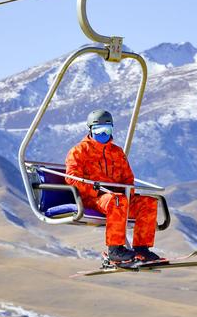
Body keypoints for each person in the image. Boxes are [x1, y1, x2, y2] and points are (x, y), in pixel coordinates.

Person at [65, 110, 161, 263]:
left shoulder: (117, 152)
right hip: (93, 199)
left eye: (107, 129)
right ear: (90, 130)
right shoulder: (79, 151)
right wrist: (94, 189)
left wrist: (128, 192)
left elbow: (128, 177)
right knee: (117, 201)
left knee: (148, 203)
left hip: (118, 198)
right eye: (98, 130)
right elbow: (72, 178)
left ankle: (142, 248)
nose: (103, 133)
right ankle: (115, 249)